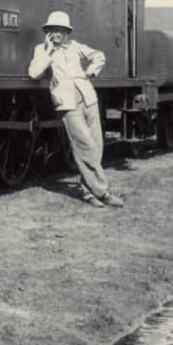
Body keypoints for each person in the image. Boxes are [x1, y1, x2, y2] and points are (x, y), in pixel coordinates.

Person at [27, 11, 124, 208]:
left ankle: (88, 190)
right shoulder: (42, 50)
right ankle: (103, 192)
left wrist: (91, 71)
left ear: (67, 32)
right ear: (48, 32)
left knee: (96, 144)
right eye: (53, 30)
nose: (57, 35)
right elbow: (34, 73)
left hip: (88, 98)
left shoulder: (75, 47)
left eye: (61, 31)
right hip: (67, 103)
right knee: (84, 145)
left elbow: (99, 56)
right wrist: (48, 52)